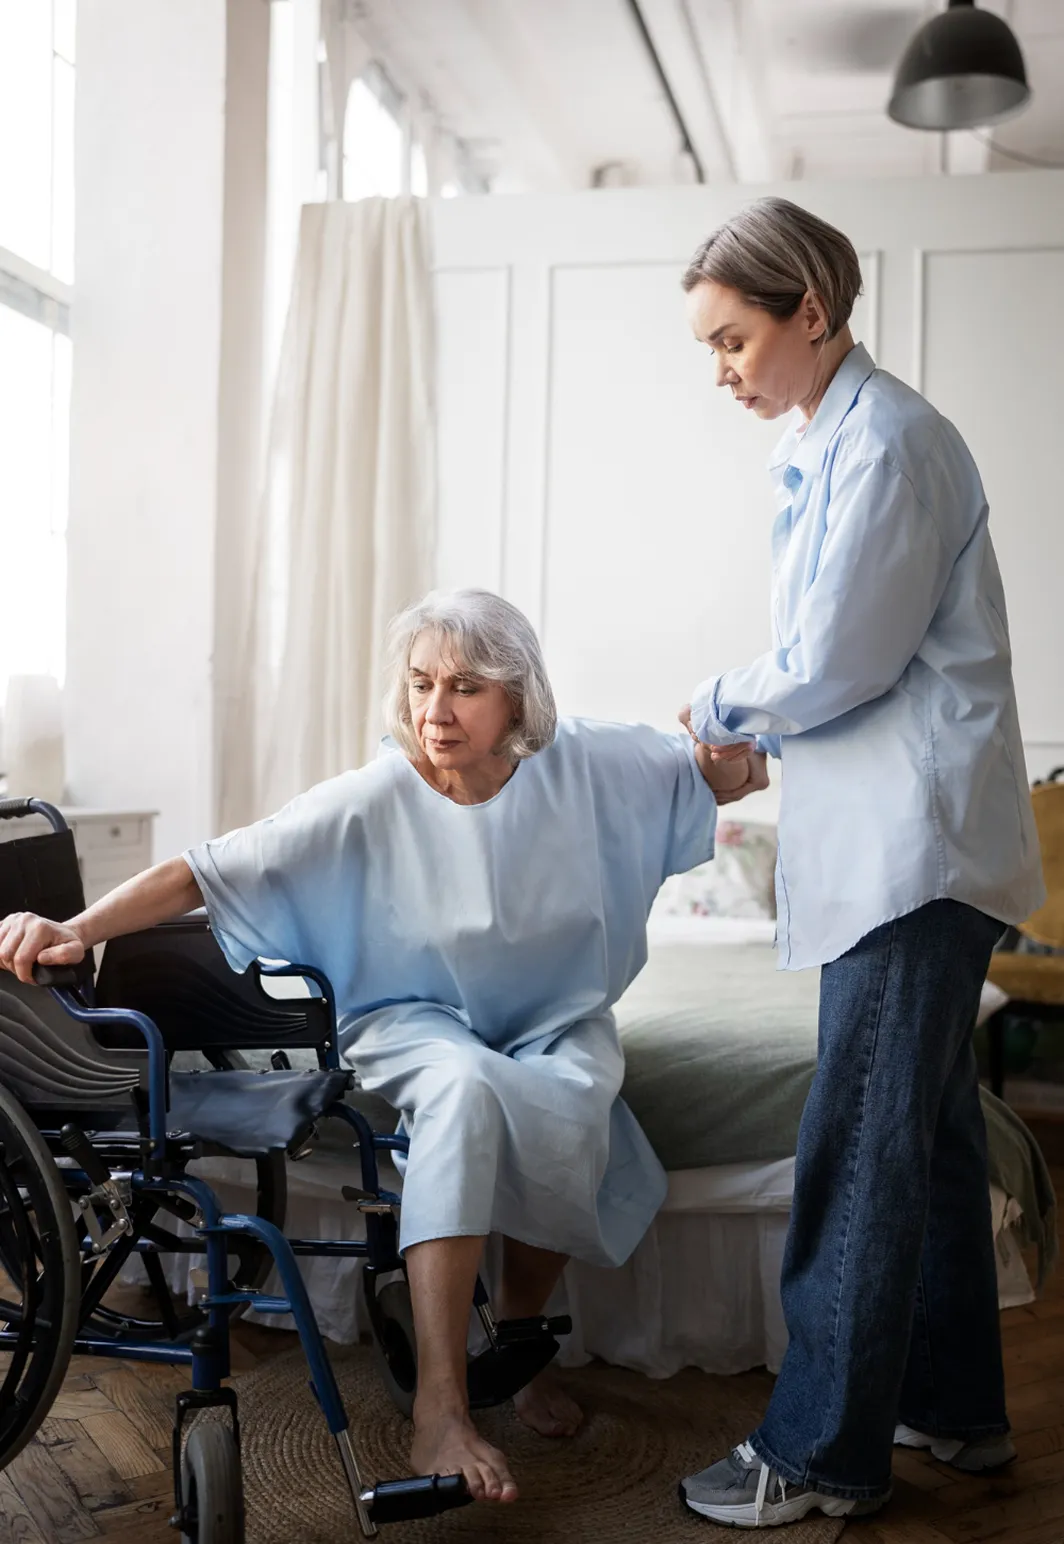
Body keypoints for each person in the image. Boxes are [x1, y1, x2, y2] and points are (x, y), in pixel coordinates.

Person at [0, 586, 766, 1506]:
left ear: (517, 699)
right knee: (465, 1091)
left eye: (465, 688)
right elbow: (207, 868)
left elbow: (718, 774)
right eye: (419, 684)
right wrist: (77, 928)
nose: (433, 712)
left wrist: (743, 758)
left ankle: (517, 1343)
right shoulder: (375, 795)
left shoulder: (592, 762)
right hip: (415, 1015)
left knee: (579, 1094)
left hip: (554, 1015)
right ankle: (440, 1403)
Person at [675, 198, 1045, 1528]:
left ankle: (820, 1450)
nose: (721, 369)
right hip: (910, 844)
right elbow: (871, 677)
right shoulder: (849, 446)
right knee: (930, 1142)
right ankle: (955, 1408)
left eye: (731, 340)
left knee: (858, 1146)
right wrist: (770, 745)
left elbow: (838, 661)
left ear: (811, 314)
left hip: (914, 863)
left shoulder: (886, 443)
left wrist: (718, 705)